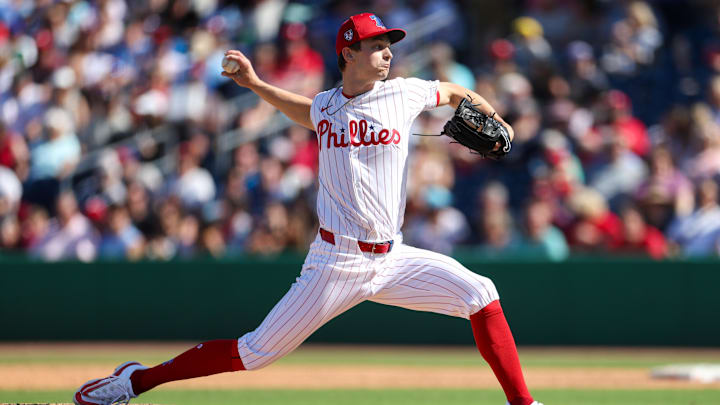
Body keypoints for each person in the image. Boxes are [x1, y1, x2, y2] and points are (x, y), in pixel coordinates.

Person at [73, 13, 542, 405]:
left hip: (393, 257)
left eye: (389, 44)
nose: (388, 52)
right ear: (348, 53)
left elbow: (457, 93)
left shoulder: (404, 93)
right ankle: (135, 380)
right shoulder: (326, 106)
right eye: (377, 45)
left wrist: (496, 119)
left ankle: (524, 404)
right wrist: (256, 83)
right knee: (256, 352)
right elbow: (306, 111)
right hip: (334, 263)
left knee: (481, 292)